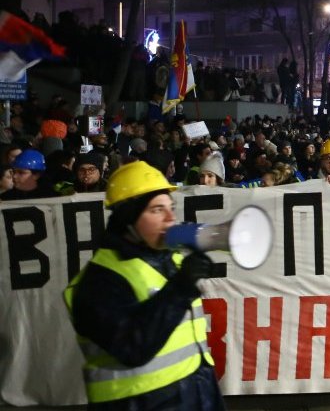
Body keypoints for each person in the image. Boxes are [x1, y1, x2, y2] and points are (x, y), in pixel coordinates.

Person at [62, 161, 222, 410]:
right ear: (129, 218)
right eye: (157, 210)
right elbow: (132, 348)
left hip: (195, 392)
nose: (171, 219)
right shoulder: (98, 282)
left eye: (171, 208)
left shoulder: (171, 260)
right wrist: (180, 287)